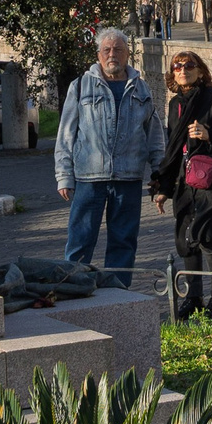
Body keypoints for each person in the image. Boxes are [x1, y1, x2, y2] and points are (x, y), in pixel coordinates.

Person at [53, 28, 160, 288]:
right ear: (99, 54)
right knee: (80, 239)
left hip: (128, 177)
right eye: (107, 50)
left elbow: (155, 134)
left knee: (124, 241)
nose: (113, 54)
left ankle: (118, 292)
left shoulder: (141, 87)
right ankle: (73, 288)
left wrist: (159, 173)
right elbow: (66, 133)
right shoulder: (80, 86)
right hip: (89, 177)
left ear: (127, 54)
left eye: (118, 50)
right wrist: (63, 175)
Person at [151, 49, 212, 320]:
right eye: (177, 67)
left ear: (201, 71)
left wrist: (209, 133)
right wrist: (163, 188)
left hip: (211, 177)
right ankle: (193, 299)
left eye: (189, 65)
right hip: (183, 179)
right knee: (186, 240)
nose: (182, 70)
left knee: (206, 237)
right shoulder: (174, 105)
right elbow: (171, 148)